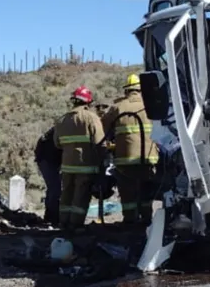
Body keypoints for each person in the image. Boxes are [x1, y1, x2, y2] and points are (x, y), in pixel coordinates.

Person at [101, 74, 159, 226]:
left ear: (127, 90)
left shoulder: (118, 107)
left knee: (128, 192)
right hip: (149, 157)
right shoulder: (152, 105)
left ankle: (130, 220)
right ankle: (147, 219)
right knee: (146, 190)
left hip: (125, 159)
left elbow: (103, 129)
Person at [53, 85, 105, 232]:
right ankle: (76, 224)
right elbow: (99, 142)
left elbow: (57, 143)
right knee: (80, 196)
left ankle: (63, 222)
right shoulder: (91, 117)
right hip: (85, 165)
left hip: (67, 165)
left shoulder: (62, 120)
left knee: (67, 194)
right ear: (88, 102)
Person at [34, 127, 62, 226]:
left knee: (53, 188)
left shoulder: (62, 126)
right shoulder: (66, 128)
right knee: (55, 188)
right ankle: (53, 217)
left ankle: (50, 216)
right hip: (47, 158)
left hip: (46, 157)